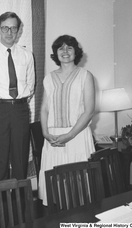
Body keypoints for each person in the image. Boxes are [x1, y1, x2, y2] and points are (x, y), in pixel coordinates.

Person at [0, 11, 35, 181]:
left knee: (20, 156)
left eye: (13, 28)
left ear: (18, 30)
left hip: (20, 110)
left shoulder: (27, 55)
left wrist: (18, 103)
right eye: (5, 28)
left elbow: (30, 85)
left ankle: (20, 204)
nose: (9, 33)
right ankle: (1, 203)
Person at [38, 34, 96, 205]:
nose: (65, 51)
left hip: (77, 136)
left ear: (75, 52)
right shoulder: (48, 78)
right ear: (55, 53)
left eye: (69, 47)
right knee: (56, 187)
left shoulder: (85, 76)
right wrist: (45, 134)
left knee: (79, 189)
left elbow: (89, 111)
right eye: (60, 48)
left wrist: (69, 136)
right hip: (53, 138)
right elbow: (44, 109)